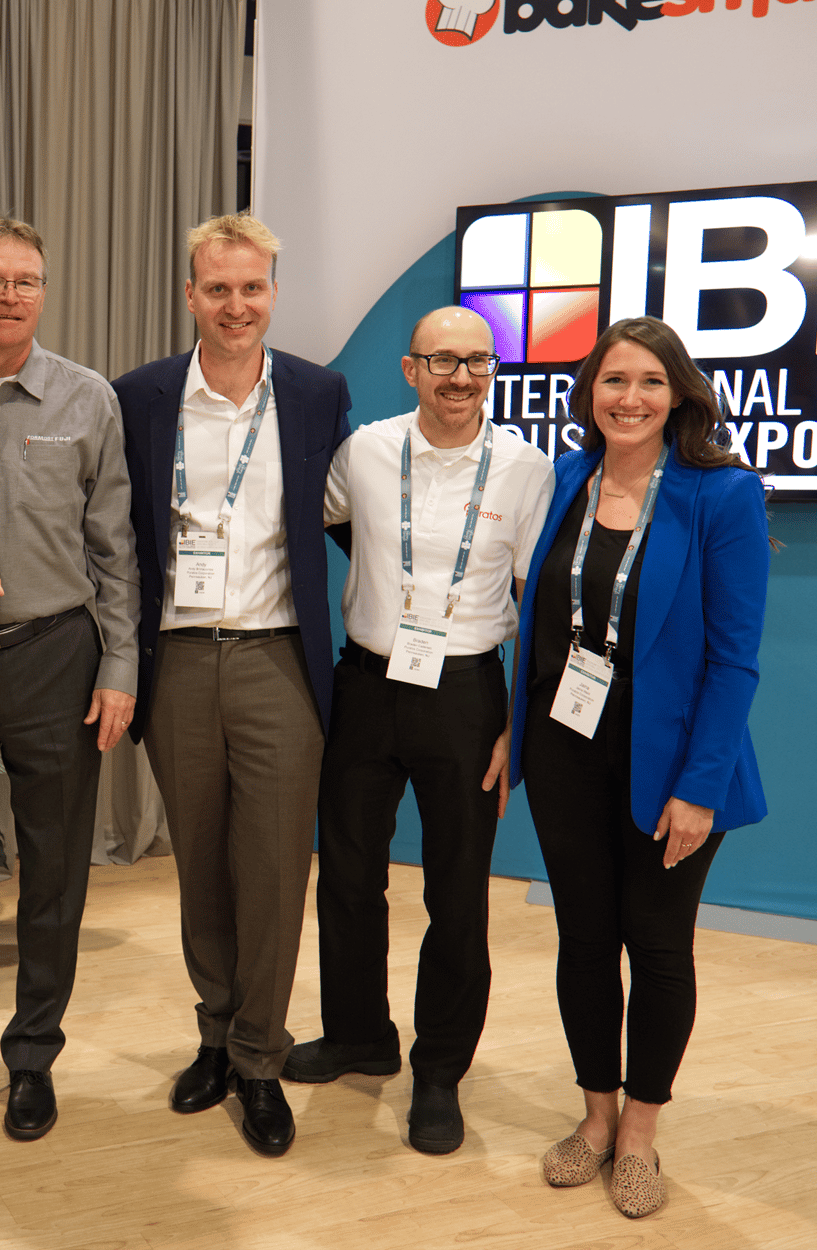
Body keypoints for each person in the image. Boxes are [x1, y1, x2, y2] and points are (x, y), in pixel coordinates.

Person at [508, 316, 769, 1218]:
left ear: (680, 394)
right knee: (583, 940)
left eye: (650, 382)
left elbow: (735, 658)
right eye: (613, 380)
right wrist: (516, 731)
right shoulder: (568, 476)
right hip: (564, 748)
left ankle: (641, 1134)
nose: (630, 398)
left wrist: (701, 785)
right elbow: (537, 623)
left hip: (671, 764)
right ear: (589, 392)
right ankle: (595, 1115)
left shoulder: (721, 494)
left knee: (657, 948)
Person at [289, 306, 555, 1155]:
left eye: (477, 363)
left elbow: (540, 603)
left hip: (467, 694)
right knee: (350, 876)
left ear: (493, 373)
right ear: (411, 370)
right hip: (367, 683)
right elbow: (334, 526)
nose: (460, 377)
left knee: (457, 892)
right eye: (441, 361)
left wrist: (517, 725)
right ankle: (361, 1031)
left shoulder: (526, 468)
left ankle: (439, 1069)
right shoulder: (365, 449)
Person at [113, 213, 350, 1158]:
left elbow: (348, 517)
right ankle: (215, 1031)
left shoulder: (317, 392)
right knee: (199, 861)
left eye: (252, 289)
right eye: (218, 289)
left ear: (273, 295)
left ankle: (260, 1054)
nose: (236, 305)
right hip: (176, 657)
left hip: (277, 657)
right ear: (190, 296)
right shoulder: (138, 398)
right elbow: (119, 534)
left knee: (275, 868)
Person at [0, 216, 139, 1141]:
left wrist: (120, 663)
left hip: (58, 656)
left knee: (53, 872)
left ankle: (34, 1051)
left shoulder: (89, 400)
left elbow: (115, 547)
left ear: (44, 293)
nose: (9, 295)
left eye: (27, 281)